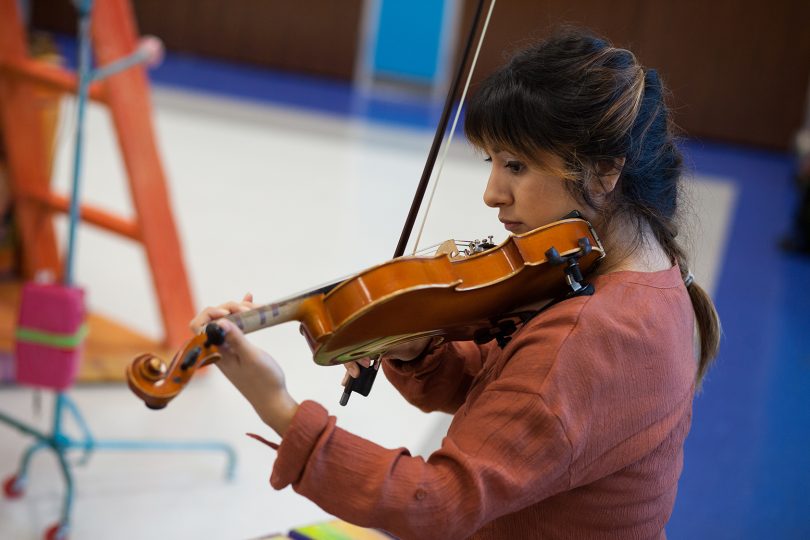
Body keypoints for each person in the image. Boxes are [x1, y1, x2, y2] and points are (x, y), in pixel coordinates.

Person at [190, 29, 721, 539]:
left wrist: (277, 407)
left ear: (605, 173)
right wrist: (419, 351)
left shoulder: (596, 334)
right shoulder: (645, 278)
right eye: (492, 162)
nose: (492, 194)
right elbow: (515, 407)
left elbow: (436, 503)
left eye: (516, 166)